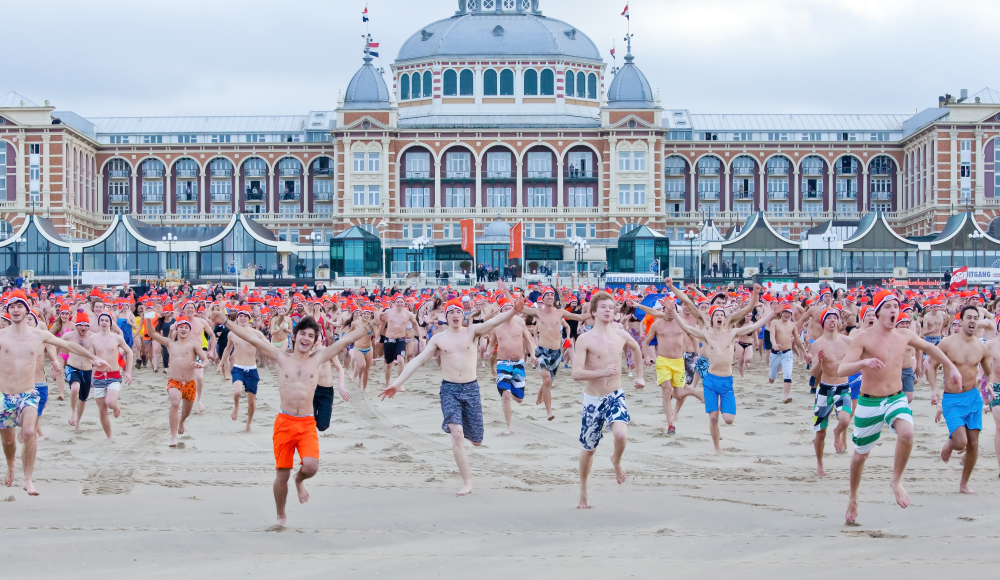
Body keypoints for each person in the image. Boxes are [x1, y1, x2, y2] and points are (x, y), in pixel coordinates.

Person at [211, 311, 369, 527]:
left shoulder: (318, 358)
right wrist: (226, 321)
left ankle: (299, 479)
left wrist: (370, 325)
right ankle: (281, 515)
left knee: (311, 467)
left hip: (307, 423)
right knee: (282, 475)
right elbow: (252, 338)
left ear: (314, 341)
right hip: (284, 423)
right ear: (294, 336)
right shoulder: (280, 357)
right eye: (303, 334)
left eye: (311, 336)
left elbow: (344, 341)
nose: (306, 338)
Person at [380, 295, 525, 496]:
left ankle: (469, 438)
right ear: (446, 316)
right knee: (457, 434)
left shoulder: (472, 331)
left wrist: (513, 311)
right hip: (449, 390)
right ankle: (467, 483)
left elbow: (493, 321)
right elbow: (417, 361)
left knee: (477, 441)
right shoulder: (439, 339)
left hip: (471, 389)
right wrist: (397, 384)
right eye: (451, 312)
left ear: (462, 315)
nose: (455, 315)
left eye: (458, 312)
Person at [837, 290, 961, 524]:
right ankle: (853, 496)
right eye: (888, 306)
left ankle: (896, 480)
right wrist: (864, 362)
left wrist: (951, 367)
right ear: (878, 312)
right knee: (860, 456)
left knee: (907, 432)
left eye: (896, 306)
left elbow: (930, 348)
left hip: (895, 397)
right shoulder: (863, 338)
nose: (894, 310)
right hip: (869, 401)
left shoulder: (904, 334)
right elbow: (842, 369)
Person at [0, 291, 109, 496]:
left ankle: (28, 479)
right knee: (7, 442)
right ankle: (10, 464)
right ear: (8, 310)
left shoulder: (38, 335)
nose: (15, 310)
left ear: (26, 310)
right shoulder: (2, 336)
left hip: (28, 393)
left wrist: (93, 358)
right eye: (11, 307)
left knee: (29, 432)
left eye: (19, 306)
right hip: (4, 396)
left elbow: (68, 345)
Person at [572, 291, 645, 509]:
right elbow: (576, 373)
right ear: (594, 312)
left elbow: (636, 348)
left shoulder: (620, 334)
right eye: (603, 307)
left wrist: (640, 376)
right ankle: (583, 489)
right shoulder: (585, 339)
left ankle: (616, 460)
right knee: (589, 448)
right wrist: (601, 372)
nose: (608, 310)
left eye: (611, 307)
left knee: (621, 434)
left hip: (615, 394)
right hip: (593, 400)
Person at [674, 301, 778, 452]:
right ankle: (717, 449)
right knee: (713, 417)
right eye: (716, 315)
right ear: (712, 319)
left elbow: (755, 326)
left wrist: (773, 313)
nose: (719, 317)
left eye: (721, 315)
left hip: (726, 381)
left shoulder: (732, 333)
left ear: (724, 319)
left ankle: (691, 390)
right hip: (710, 380)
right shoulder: (706, 335)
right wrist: (674, 312)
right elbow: (686, 328)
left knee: (729, 419)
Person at [936, 305, 991, 494]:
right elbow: (931, 365)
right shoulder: (946, 344)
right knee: (961, 443)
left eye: (976, 317)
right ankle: (951, 442)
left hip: (973, 398)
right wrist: (934, 389)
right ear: (960, 321)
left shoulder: (981, 347)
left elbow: (988, 373)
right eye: (969, 317)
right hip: (952, 399)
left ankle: (963, 484)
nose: (973, 321)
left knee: (973, 444)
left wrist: (989, 384)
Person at [633, 297, 702, 435]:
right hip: (663, 361)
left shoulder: (681, 323)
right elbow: (646, 342)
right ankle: (670, 424)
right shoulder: (657, 325)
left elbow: (693, 337)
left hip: (679, 362)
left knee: (679, 395)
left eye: (673, 308)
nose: (671, 311)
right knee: (667, 390)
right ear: (663, 309)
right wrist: (647, 357)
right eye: (668, 309)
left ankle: (690, 390)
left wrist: (697, 354)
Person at [148, 315, 207, 447]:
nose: (183, 329)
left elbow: (205, 360)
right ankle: (173, 437)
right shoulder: (170, 343)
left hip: (190, 383)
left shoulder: (194, 344)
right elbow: (152, 333)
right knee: (175, 403)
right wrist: (147, 317)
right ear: (177, 329)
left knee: (186, 412)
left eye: (186, 327)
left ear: (190, 330)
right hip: (174, 382)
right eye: (181, 327)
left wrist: (201, 365)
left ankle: (181, 422)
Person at [532, 287, 591, 420]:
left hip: (556, 352)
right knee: (547, 379)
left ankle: (541, 391)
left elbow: (580, 317)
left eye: (552, 295)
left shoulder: (560, 312)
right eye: (547, 294)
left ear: (554, 298)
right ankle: (549, 411)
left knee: (548, 382)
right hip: (542, 350)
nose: (550, 296)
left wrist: (595, 312)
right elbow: (518, 309)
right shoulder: (538, 312)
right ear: (542, 298)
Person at [808, 308, 853, 477]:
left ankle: (837, 433)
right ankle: (819, 464)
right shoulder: (817, 344)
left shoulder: (847, 341)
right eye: (829, 318)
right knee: (820, 433)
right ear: (823, 322)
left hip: (843, 388)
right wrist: (819, 362)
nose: (833, 320)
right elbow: (813, 373)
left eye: (835, 317)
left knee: (845, 419)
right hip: (825, 390)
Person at [488, 285, 536, 435]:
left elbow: (529, 341)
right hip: (503, 362)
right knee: (506, 395)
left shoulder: (520, 322)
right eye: (505, 309)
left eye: (511, 308)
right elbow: (491, 344)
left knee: (519, 398)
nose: (509, 311)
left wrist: (534, 355)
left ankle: (507, 391)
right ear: (501, 311)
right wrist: (488, 354)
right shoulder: (496, 325)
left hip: (519, 363)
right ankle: (509, 427)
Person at [78, 312, 133, 443]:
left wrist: (128, 372)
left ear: (110, 323)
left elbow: (129, 352)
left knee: (110, 402)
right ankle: (109, 437)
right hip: (98, 377)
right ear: (98, 323)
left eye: (106, 320)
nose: (104, 322)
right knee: (102, 411)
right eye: (101, 320)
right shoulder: (93, 338)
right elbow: (90, 357)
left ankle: (116, 406)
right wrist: (95, 362)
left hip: (114, 375)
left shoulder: (117, 338)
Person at [221, 306, 264, 433]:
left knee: (251, 402)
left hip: (251, 369)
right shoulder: (232, 333)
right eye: (240, 316)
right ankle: (236, 406)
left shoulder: (256, 334)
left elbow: (267, 347)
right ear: (237, 318)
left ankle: (248, 423)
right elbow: (227, 349)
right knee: (238, 391)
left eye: (245, 316)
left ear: (249, 319)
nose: (242, 318)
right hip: (238, 367)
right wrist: (221, 364)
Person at [380, 294, 419, 390]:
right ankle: (387, 383)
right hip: (389, 339)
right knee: (388, 364)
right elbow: (382, 323)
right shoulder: (388, 312)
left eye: (401, 302)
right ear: (394, 303)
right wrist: (378, 336)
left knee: (401, 360)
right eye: (398, 302)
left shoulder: (408, 314)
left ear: (404, 303)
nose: (399, 304)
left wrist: (420, 336)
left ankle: (400, 383)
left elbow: (415, 324)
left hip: (401, 339)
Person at [768, 305, 802, 403]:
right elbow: (772, 335)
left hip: (787, 353)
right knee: (773, 377)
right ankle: (771, 376)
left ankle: (786, 396)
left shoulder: (792, 325)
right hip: (775, 353)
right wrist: (774, 344)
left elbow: (797, 339)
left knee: (787, 374)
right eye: (785, 312)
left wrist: (804, 352)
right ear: (781, 313)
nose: (787, 315)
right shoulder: (774, 322)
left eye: (789, 313)